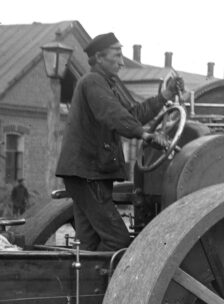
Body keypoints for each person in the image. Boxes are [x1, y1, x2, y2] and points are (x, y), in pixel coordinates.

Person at [55, 32, 184, 251]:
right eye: (116, 55)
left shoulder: (108, 84)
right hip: (88, 174)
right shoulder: (93, 81)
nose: (122, 62)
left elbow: (133, 113)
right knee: (119, 241)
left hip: (87, 174)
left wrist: (165, 95)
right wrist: (143, 134)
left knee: (89, 242)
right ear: (99, 57)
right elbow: (112, 113)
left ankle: (89, 283)